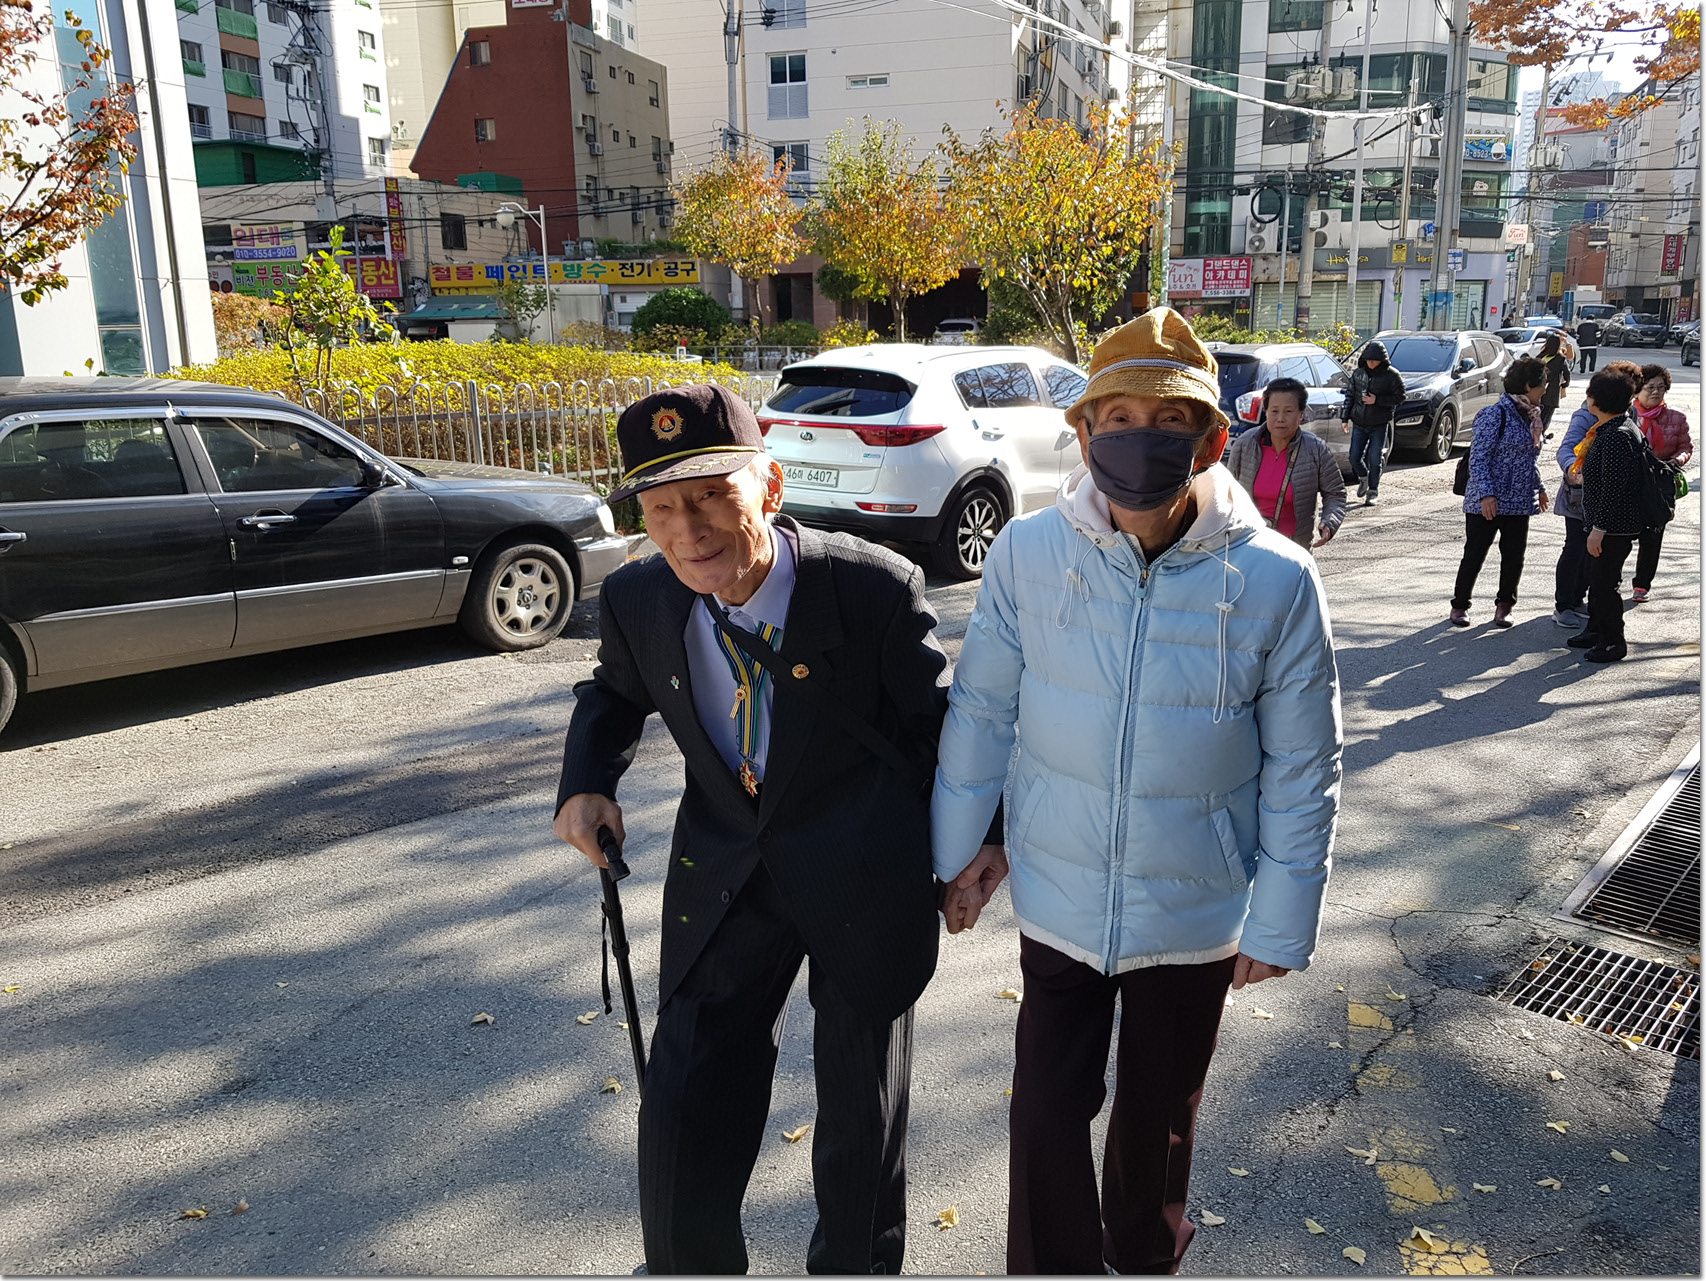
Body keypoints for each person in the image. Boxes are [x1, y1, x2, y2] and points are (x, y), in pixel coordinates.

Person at [930, 308, 1342, 1276]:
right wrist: (958, 853)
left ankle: (1143, 1253)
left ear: (1210, 440)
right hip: (1059, 890)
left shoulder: (1276, 579)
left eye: (1167, 421)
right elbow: (982, 713)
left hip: (1194, 908)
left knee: (1157, 1119)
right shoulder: (1027, 553)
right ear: (1082, 434)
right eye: (1115, 417)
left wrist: (1281, 919)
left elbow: (1302, 763)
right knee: (1043, 1111)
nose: (1138, 438)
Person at [552, 384, 966, 1274]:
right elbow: (613, 692)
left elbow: (947, 731)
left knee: (860, 1108)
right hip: (727, 868)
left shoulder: (870, 587)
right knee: (687, 1091)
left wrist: (976, 848)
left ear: (769, 487)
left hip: (863, 867)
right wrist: (587, 781)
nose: (687, 529)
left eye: (711, 495)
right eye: (662, 507)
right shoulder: (638, 598)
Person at [1449, 356, 1550, 627]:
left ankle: (1505, 605)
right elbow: (1479, 458)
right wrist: (1487, 495)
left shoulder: (1532, 416)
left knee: (1514, 556)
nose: (1546, 388)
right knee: (1475, 553)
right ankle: (1460, 605)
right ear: (1528, 386)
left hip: (1519, 499)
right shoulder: (1494, 414)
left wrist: (1539, 487)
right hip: (1487, 499)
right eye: (1543, 383)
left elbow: (1529, 459)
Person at [1550, 359, 1644, 629]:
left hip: (1602, 506)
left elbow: (1614, 481)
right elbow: (1567, 449)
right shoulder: (1587, 417)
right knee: (1576, 549)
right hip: (1579, 497)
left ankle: (1582, 603)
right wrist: (1573, 469)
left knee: (1596, 560)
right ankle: (1565, 604)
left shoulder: (1624, 422)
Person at [1566, 369, 1648, 662]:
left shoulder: (1616, 435)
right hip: (1608, 523)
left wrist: (1598, 529)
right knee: (1597, 579)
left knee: (1605, 584)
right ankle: (1596, 629)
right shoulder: (1615, 427)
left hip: (1613, 526)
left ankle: (1613, 641)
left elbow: (1614, 488)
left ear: (1597, 401)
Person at [1224, 376, 1347, 551]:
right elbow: (1227, 494)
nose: (1280, 418)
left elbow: (1335, 494)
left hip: (1295, 547)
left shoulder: (1316, 449)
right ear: (1266, 412)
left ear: (1301, 414)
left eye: (1288, 411)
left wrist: (1329, 522)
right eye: (1274, 411)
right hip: (1249, 545)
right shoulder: (1245, 444)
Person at [1629, 363, 1693, 602]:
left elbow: (1686, 447)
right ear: (1637, 390)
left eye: (1661, 387)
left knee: (1653, 536)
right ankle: (1610, 582)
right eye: (1650, 387)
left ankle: (1642, 585)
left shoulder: (1677, 418)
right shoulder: (1626, 417)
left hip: (1661, 483)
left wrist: (1676, 462)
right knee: (1621, 536)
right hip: (1631, 481)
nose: (1656, 392)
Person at [1342, 340, 1405, 505]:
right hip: (1359, 422)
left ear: (1381, 360)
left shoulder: (1392, 375)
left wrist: (1377, 400)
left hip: (1379, 423)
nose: (1371, 363)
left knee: (1375, 458)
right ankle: (1364, 478)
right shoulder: (1358, 374)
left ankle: (1372, 491)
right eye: (1368, 359)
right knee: (1354, 457)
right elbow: (1350, 395)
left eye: (1374, 360)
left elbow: (1400, 397)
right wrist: (1344, 418)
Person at [1538, 331, 1570, 432]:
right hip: (1552, 390)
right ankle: (1541, 433)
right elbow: (1567, 372)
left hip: (1538, 390)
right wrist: (1565, 384)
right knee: (1547, 415)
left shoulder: (1540, 357)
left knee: (1538, 413)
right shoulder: (1560, 359)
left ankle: (1535, 432)